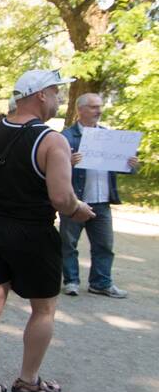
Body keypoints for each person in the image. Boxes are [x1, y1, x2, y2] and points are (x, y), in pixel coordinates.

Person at [0, 69, 95, 392]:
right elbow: (60, 198)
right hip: (33, 232)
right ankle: (28, 381)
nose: (58, 100)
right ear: (40, 94)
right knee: (43, 309)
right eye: (56, 93)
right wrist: (79, 209)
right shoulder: (52, 140)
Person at [59, 93, 139, 299]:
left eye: (100, 106)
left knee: (104, 245)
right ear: (81, 110)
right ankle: (71, 281)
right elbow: (54, 168)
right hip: (76, 200)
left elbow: (120, 166)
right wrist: (69, 162)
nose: (99, 111)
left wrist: (131, 165)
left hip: (102, 200)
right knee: (68, 244)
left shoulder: (108, 137)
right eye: (94, 107)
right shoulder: (66, 137)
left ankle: (101, 283)